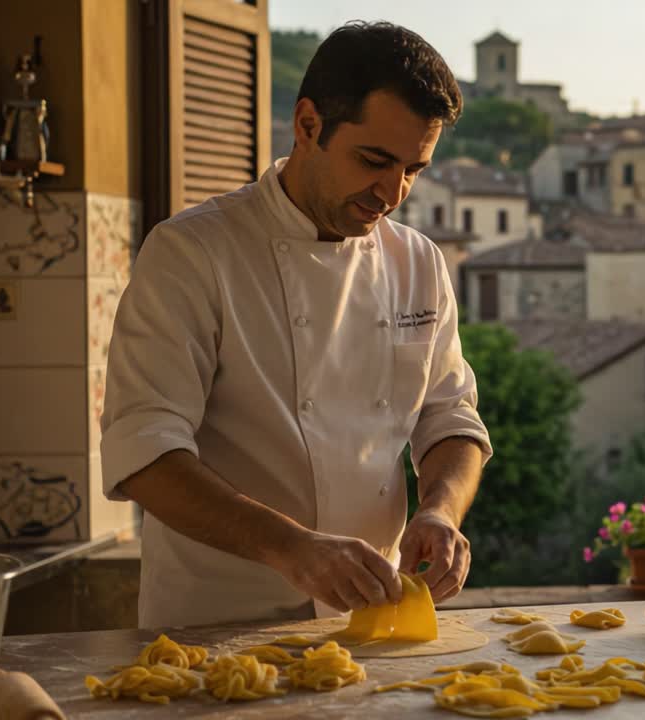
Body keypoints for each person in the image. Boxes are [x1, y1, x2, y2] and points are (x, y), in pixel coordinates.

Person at [100, 21, 491, 629]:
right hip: (215, 630)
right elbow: (144, 451)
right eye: (374, 160)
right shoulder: (191, 253)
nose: (393, 192)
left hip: (368, 624)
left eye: (414, 169)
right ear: (308, 125)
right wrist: (291, 548)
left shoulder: (419, 262)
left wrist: (441, 510)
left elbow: (451, 419)